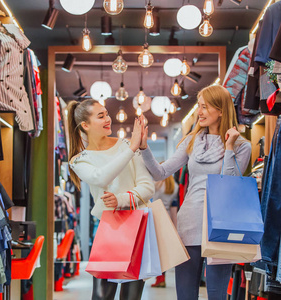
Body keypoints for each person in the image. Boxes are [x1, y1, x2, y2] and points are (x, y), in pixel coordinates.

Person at [136, 85, 252, 300]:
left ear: (221, 110)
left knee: (217, 295)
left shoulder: (241, 146)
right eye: (199, 106)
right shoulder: (191, 141)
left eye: (205, 107)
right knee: (186, 295)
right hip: (189, 223)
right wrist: (144, 148)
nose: (199, 112)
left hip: (222, 226)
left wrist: (228, 147)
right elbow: (161, 172)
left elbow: (229, 184)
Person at [67, 99, 155, 300]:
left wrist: (121, 199)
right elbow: (101, 177)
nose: (108, 119)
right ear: (85, 125)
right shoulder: (80, 160)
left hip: (137, 228)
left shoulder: (125, 145)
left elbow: (148, 186)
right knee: (101, 297)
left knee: (131, 297)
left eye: (106, 114)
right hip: (108, 230)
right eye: (101, 116)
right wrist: (131, 148)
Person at [151, 173, 178, 288]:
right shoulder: (175, 187)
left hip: (155, 216)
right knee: (163, 251)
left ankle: (159, 278)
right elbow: (174, 208)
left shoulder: (156, 184)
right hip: (167, 218)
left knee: (155, 250)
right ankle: (162, 277)